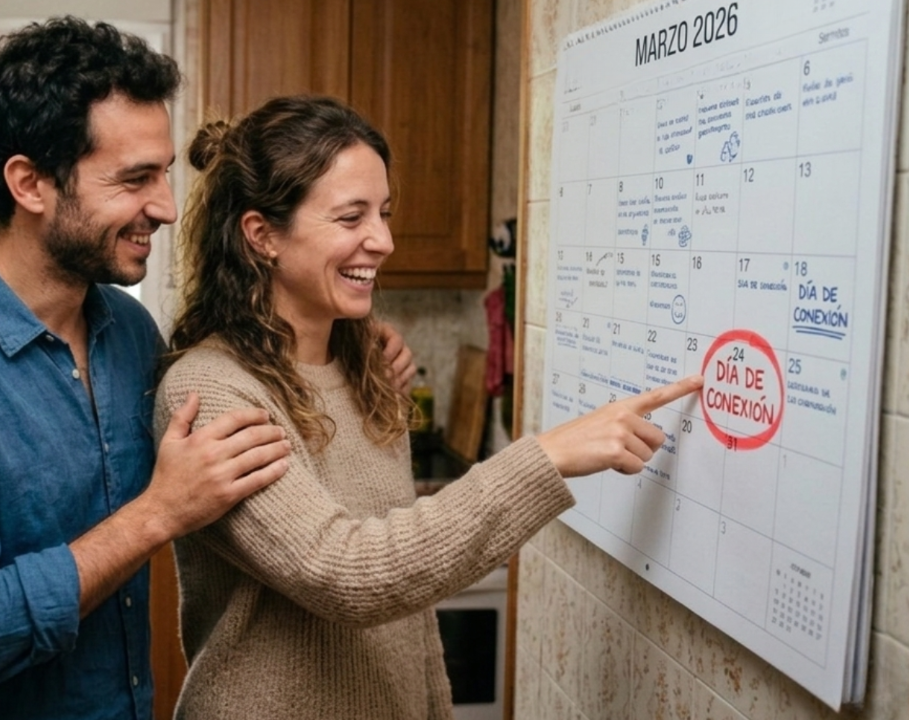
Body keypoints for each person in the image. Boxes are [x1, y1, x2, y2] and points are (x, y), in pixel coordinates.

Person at [0, 19, 414, 720]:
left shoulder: (128, 333)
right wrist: (157, 513)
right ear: (29, 183)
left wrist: (355, 349)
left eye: (164, 173)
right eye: (135, 179)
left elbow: (246, 365)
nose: (166, 207)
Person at [154, 95, 704, 719]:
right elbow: (347, 573)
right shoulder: (213, 391)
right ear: (262, 236)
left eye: (384, 213)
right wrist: (545, 457)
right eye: (351, 217)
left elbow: (407, 619)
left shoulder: (366, 369)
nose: (383, 241)